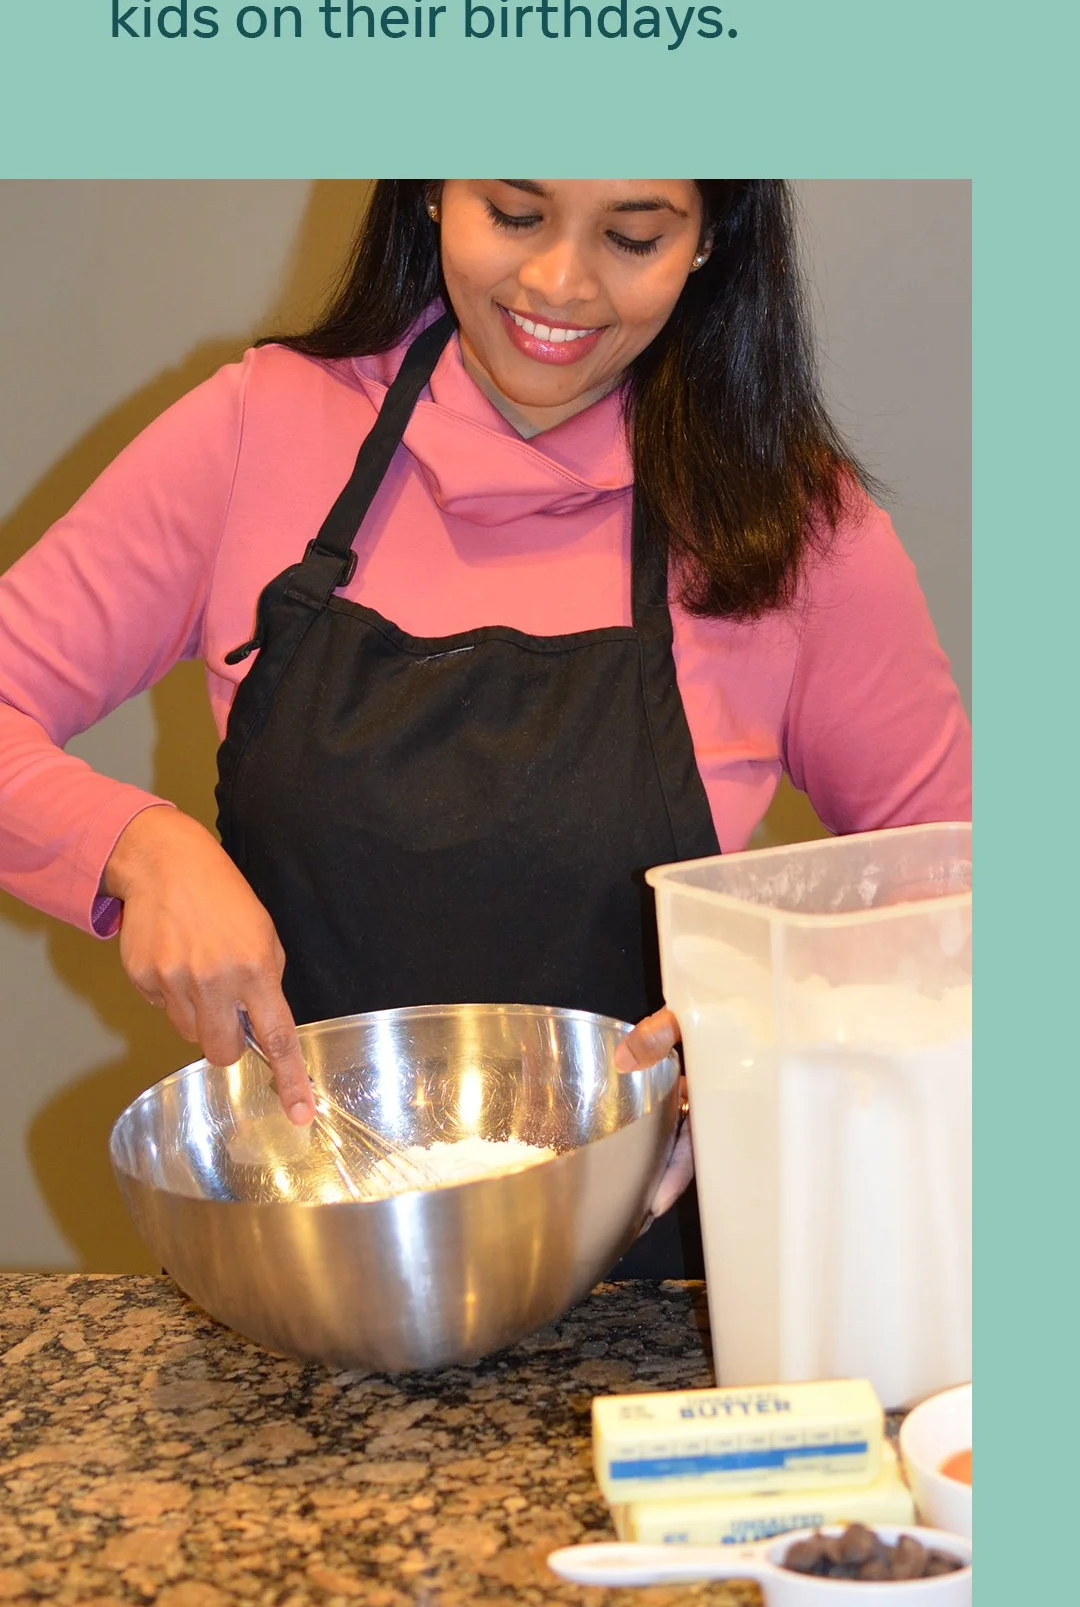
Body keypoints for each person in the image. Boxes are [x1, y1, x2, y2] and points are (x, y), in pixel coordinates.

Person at [0, 179, 970, 1275]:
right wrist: (142, 849)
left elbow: (962, 902)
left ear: (711, 242)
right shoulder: (258, 430)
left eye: (633, 238)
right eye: (514, 214)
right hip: (313, 1263)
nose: (560, 282)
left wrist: (788, 1029)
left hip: (669, 1289)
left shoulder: (790, 528)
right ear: (432, 192)